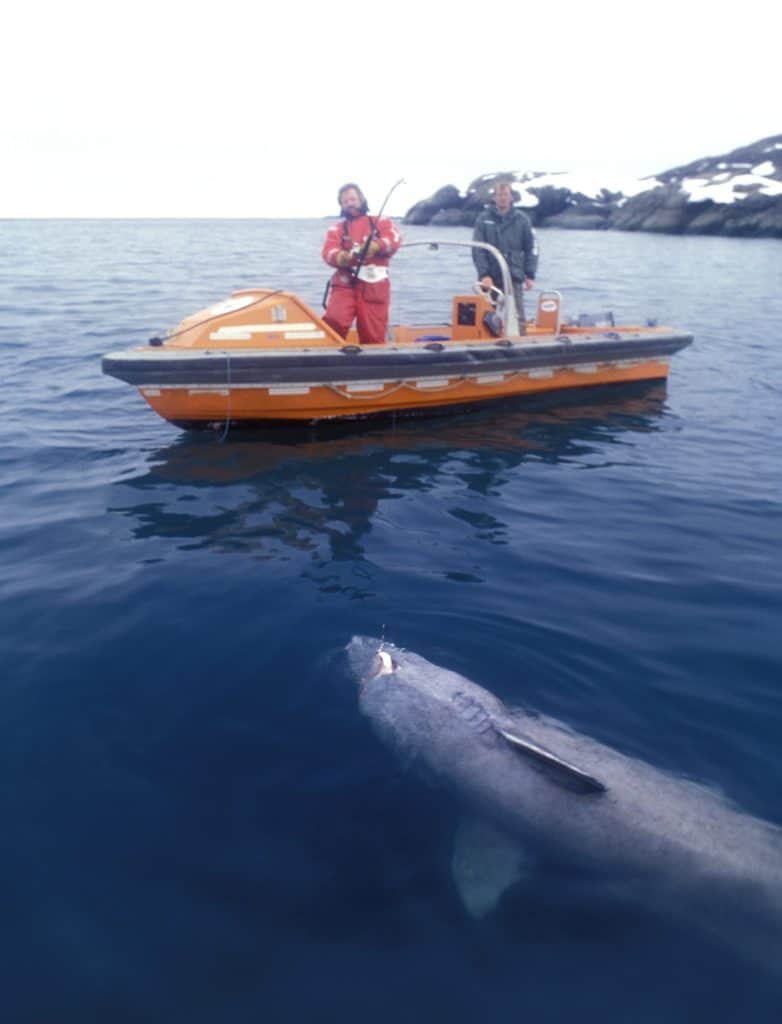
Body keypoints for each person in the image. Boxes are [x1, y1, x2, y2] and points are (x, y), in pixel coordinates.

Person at [322, 183, 402, 344]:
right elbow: (328, 251)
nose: (349, 204)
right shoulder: (336, 229)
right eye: (345, 201)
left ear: (362, 200)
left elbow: (394, 239)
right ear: (341, 206)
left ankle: (374, 364)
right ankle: (327, 361)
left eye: (352, 199)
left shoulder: (381, 222)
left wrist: (376, 246)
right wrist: (340, 257)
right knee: (334, 322)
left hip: (374, 286)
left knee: (373, 333)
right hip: (345, 283)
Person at [472, 179, 538, 334]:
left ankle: (520, 349)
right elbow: (478, 249)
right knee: (488, 316)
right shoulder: (483, 219)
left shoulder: (522, 220)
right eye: (499, 194)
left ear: (511, 197)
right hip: (491, 277)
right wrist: (484, 274)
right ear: (494, 197)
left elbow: (531, 248)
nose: (502, 197)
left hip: (513, 275)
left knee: (517, 314)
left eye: (506, 194)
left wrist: (530, 274)